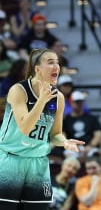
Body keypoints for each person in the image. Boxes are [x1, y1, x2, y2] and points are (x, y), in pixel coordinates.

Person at [0, 48, 85, 210]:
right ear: (37, 69)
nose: (56, 67)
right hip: (11, 160)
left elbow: (55, 134)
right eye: (50, 63)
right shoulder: (19, 90)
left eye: (57, 63)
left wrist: (65, 142)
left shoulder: (58, 98)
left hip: (37, 163)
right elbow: (25, 127)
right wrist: (41, 101)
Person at [63, 90, 101, 159]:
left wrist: (90, 146)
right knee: (68, 155)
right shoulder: (65, 120)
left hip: (89, 147)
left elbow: (99, 134)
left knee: (95, 154)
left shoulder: (91, 118)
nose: (79, 104)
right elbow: (62, 136)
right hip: (72, 148)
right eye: (77, 102)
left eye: (81, 101)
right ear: (71, 103)